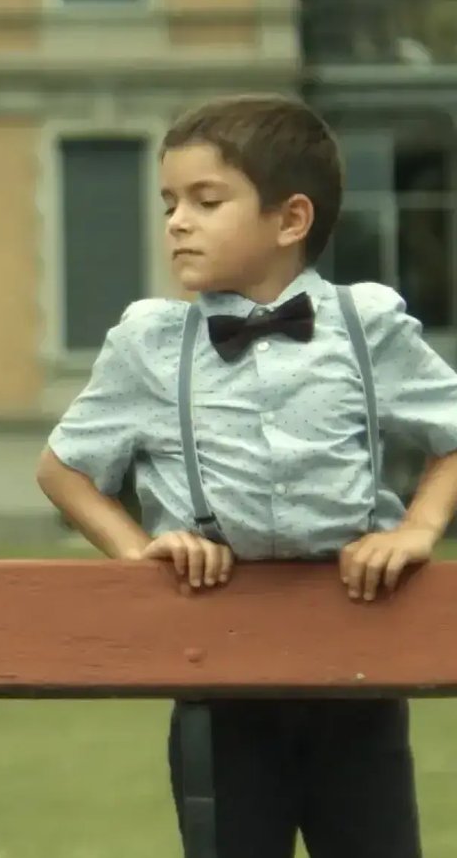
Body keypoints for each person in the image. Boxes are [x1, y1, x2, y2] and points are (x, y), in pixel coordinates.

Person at [36, 94, 457, 858]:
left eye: (206, 200)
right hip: (216, 664)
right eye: (170, 203)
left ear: (290, 220)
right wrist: (142, 554)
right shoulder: (151, 343)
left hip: (357, 657)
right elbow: (65, 469)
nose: (177, 222)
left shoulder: (367, 326)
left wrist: (417, 529)